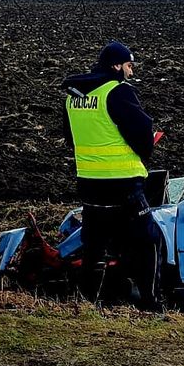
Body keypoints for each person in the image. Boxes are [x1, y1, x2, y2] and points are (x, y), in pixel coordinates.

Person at [61, 40, 164, 311]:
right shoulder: (118, 92)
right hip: (124, 183)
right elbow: (142, 132)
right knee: (149, 241)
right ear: (117, 66)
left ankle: (86, 304)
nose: (131, 72)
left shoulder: (74, 96)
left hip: (89, 184)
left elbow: (71, 138)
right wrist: (145, 149)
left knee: (94, 245)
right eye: (129, 65)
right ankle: (150, 304)